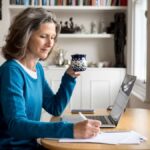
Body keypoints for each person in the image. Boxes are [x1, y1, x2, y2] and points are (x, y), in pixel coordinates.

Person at [0, 8, 101, 150]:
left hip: (31, 145)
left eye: (53, 37)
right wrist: (70, 130)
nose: (50, 43)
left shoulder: (37, 69)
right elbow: (16, 125)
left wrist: (69, 77)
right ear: (25, 36)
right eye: (43, 36)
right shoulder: (12, 72)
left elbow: (55, 107)